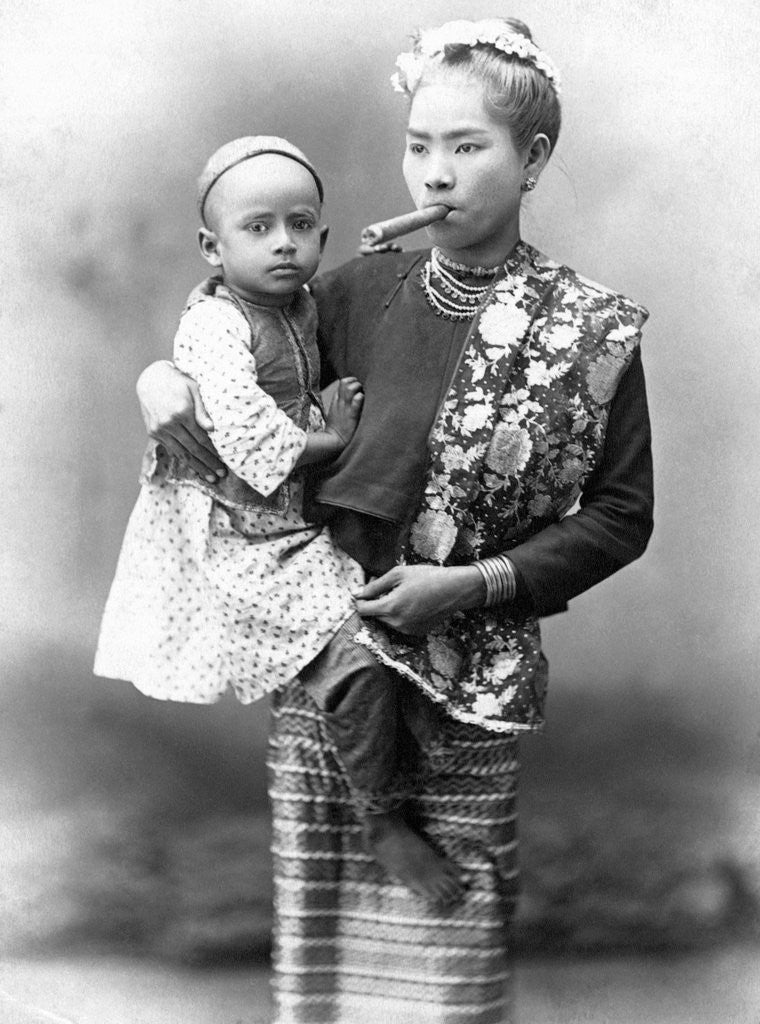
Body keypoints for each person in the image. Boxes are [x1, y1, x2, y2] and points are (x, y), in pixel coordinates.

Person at [135, 18, 654, 1024]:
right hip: (331, 645)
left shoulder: (587, 332)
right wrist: (154, 380)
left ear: (532, 157)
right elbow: (223, 346)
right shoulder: (348, 291)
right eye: (419, 146)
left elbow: (622, 516)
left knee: (451, 948)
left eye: (467, 147)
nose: (435, 176)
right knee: (325, 945)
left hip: (475, 664)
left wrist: (468, 585)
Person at [94, 135, 463, 905]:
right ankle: (380, 818)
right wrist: (332, 437)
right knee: (359, 659)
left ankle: (405, 757)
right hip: (240, 539)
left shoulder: (305, 304)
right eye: (258, 228)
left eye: (300, 225)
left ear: (323, 236)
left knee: (410, 629)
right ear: (212, 245)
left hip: (296, 527)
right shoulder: (216, 325)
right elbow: (245, 433)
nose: (284, 244)